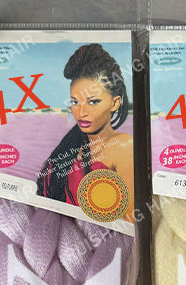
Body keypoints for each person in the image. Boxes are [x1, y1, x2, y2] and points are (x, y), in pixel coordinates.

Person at [37, 44, 133, 220]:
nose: (81, 112)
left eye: (93, 102)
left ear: (115, 103)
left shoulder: (124, 147)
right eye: (75, 102)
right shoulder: (70, 147)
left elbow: (130, 221)